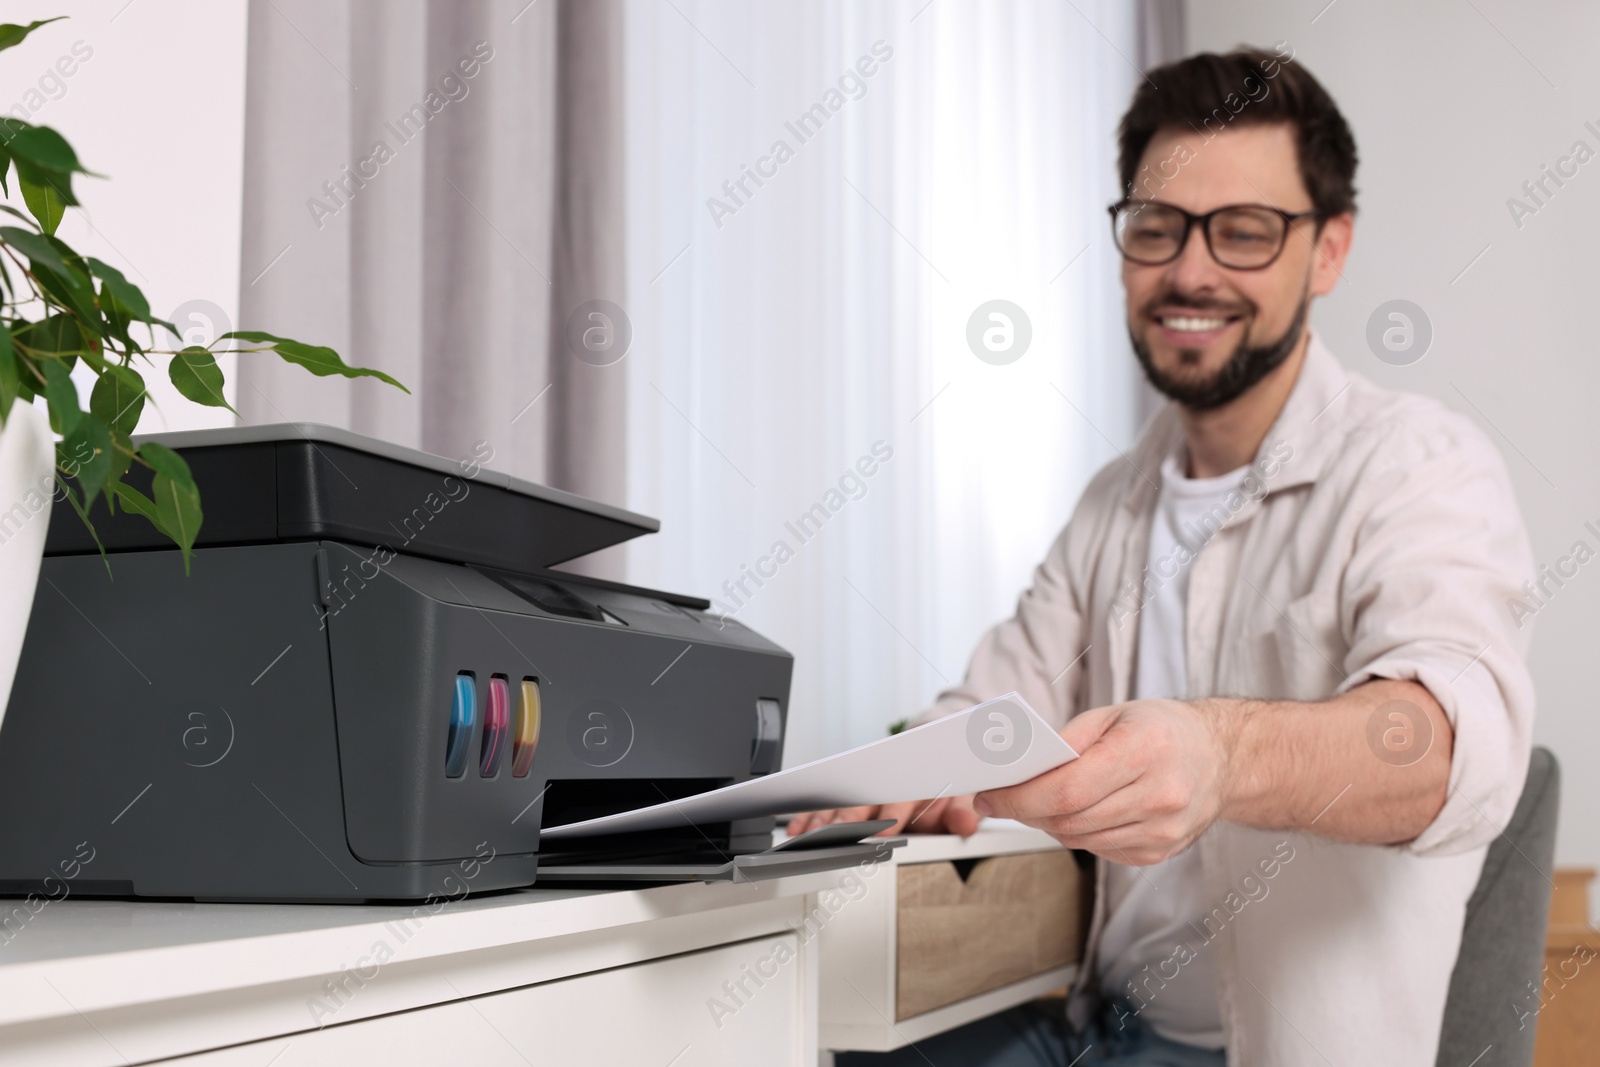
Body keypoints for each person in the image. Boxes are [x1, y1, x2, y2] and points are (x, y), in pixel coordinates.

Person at [793, 46, 1534, 1067]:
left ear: (1327, 251)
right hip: (1085, 1021)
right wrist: (898, 772)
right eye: (1156, 228)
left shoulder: (1420, 464)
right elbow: (988, 708)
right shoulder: (1111, 504)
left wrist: (1222, 751)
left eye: (1243, 231)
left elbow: (1460, 747)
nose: (1189, 271)